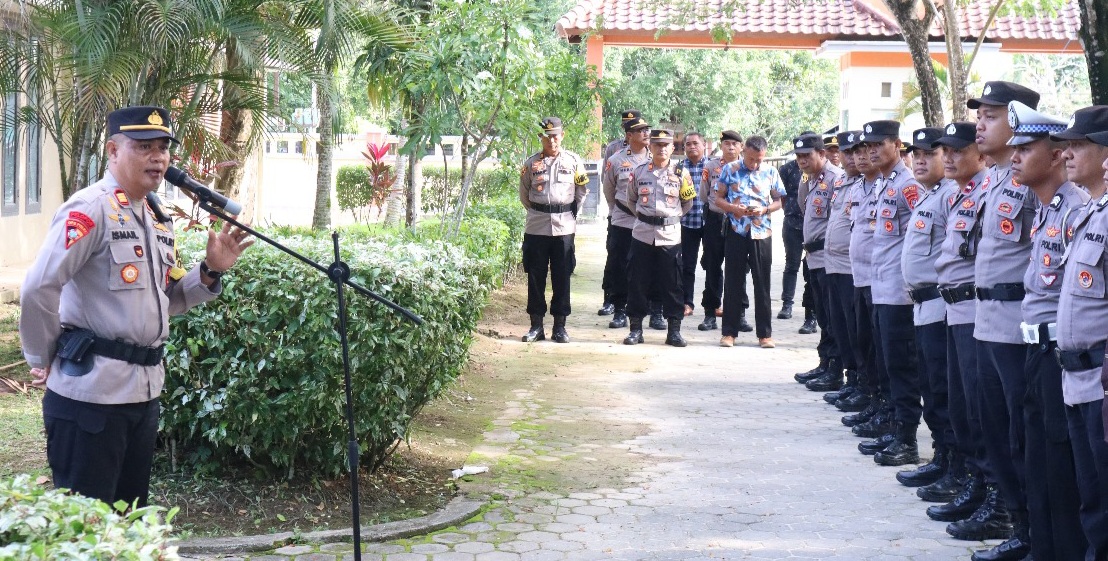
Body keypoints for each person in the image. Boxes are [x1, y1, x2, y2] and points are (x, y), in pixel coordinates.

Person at [19, 105, 254, 508]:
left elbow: (168, 300)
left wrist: (211, 271)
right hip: (90, 399)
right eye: (144, 146)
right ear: (112, 150)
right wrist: (43, 356)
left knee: (128, 526)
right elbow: (39, 286)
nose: (158, 157)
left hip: (141, 398)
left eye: (163, 147)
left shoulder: (157, 219)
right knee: (88, 531)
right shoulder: (89, 209)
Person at [947, 82, 1043, 547]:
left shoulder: (1033, 181)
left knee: (1017, 430)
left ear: (1018, 120)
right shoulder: (994, 179)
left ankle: (1021, 522)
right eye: (979, 116)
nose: (980, 125)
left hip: (1014, 322)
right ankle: (1009, 513)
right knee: (990, 423)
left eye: (991, 116)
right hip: (983, 316)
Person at [995, 106, 1089, 561]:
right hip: (1034, 349)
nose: (1014, 156)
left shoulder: (1076, 211)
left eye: (1025, 148)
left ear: (1056, 157)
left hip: (1058, 354)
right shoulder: (1048, 209)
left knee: (1058, 463)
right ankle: (1044, 547)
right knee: (1034, 456)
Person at [926, 121, 992, 519]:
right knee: (960, 404)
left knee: (978, 408)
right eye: (944, 151)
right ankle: (975, 481)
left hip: (976, 311)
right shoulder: (959, 193)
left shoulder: (991, 190)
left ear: (980, 154)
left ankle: (992, 496)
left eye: (957, 150)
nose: (948, 157)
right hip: (953, 309)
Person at [1051, 107, 1108, 561]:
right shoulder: (1089, 213)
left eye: (1078, 145)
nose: (1066, 153)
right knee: (1090, 498)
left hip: (1101, 382)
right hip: (1075, 380)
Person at [854, 120, 924, 468]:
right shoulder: (884, 184)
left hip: (898, 292)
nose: (870, 151)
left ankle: (907, 438)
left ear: (897, 144)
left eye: (878, 144)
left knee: (900, 366)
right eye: (867, 146)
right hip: (879, 287)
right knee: (886, 363)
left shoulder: (907, 185)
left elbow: (919, 237)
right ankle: (894, 426)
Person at [895, 127, 958, 486]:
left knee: (942, 390)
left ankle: (953, 464)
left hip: (940, 306)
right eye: (915, 154)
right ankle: (942, 458)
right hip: (922, 306)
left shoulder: (950, 196)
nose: (919, 160)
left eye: (928, 154)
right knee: (932, 388)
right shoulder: (930, 195)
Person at [518, 117, 589, 343]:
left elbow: (581, 192)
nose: (552, 140)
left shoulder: (574, 161)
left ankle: (560, 326)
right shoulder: (530, 164)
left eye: (555, 136)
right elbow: (524, 194)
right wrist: (542, 211)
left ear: (562, 135)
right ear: (541, 137)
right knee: (536, 276)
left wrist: (567, 212)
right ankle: (536, 325)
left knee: (562, 276)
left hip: (564, 226)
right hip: (537, 226)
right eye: (547, 136)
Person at [623, 129, 696, 347]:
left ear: (673, 148)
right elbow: (631, 200)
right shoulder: (638, 172)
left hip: (670, 236)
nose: (661, 149)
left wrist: (670, 219)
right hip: (643, 234)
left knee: (673, 284)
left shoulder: (681, 173)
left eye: (666, 145)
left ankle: (674, 330)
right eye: (657, 145)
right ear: (650, 147)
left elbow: (688, 203)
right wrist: (647, 219)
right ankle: (636, 329)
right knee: (637, 282)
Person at [713, 135, 785, 348]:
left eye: (759, 159)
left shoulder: (771, 172)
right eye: (752, 159)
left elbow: (779, 201)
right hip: (736, 230)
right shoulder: (730, 169)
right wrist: (733, 209)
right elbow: (717, 198)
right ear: (743, 151)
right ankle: (729, 333)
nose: (755, 163)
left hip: (761, 232)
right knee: (733, 282)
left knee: (762, 284)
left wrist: (765, 209)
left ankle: (765, 334)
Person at [809, 130, 863, 394]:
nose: (851, 157)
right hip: (831, 263)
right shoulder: (842, 183)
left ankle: (860, 383)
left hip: (853, 269)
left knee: (855, 331)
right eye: (846, 152)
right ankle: (851, 379)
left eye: (856, 151)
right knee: (838, 326)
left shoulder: (869, 183)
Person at [793, 133, 844, 383]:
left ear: (821, 154)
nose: (802, 160)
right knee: (822, 314)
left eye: (807, 156)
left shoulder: (836, 179)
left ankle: (835, 369)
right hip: (812, 256)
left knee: (833, 316)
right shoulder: (809, 180)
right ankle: (824, 362)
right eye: (799, 156)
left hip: (828, 257)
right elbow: (805, 210)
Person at [601, 116, 651, 329]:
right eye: (640, 131)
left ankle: (647, 309)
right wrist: (616, 211)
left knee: (645, 267)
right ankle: (620, 309)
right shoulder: (616, 159)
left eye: (647, 129)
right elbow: (608, 189)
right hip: (622, 220)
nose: (646, 133)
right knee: (620, 265)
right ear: (629, 136)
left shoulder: (655, 158)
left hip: (649, 224)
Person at [697, 131, 745, 331]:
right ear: (721, 145)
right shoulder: (710, 166)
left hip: (739, 222)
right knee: (713, 266)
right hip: (715, 221)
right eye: (727, 143)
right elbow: (703, 194)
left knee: (739, 268)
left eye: (735, 144)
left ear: (741, 147)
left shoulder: (748, 167)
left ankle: (739, 314)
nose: (731, 147)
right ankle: (710, 313)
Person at [679, 133, 708, 318]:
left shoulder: (713, 166)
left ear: (704, 145)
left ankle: (713, 304)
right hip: (687, 223)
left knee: (712, 264)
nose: (691, 147)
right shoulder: (678, 168)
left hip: (710, 224)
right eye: (688, 144)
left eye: (695, 143)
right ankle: (686, 302)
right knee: (686, 265)